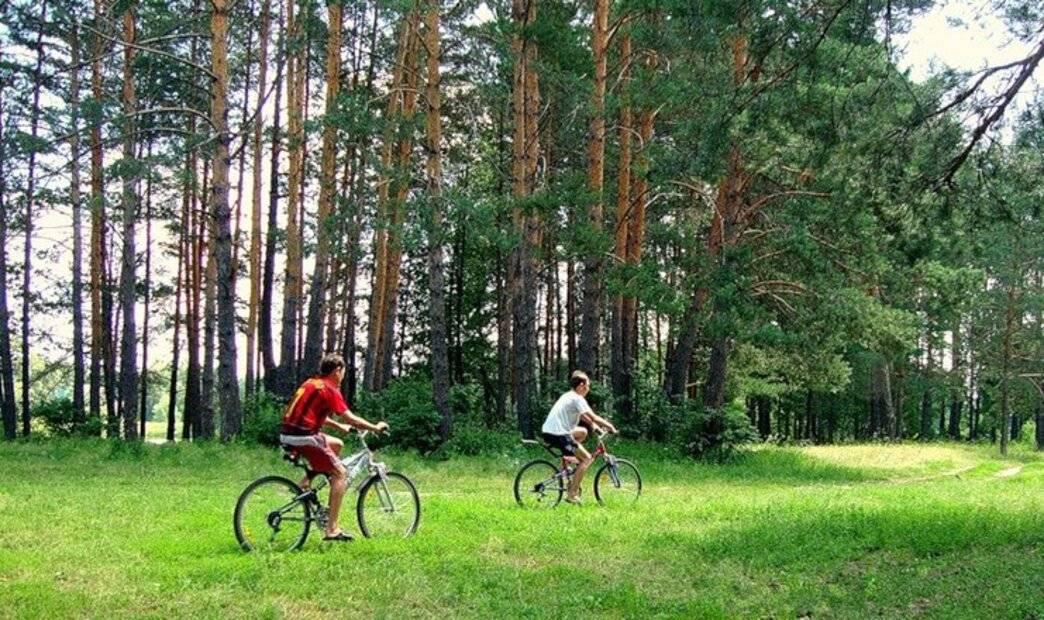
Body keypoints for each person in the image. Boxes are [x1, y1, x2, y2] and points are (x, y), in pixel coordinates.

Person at [280, 353, 389, 542]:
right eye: (343, 371)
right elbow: (351, 417)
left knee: (336, 444)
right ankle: (332, 529)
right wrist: (375, 427)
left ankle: (306, 481)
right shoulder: (330, 388)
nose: (343, 375)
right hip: (304, 437)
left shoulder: (312, 383)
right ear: (337, 371)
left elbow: (317, 415)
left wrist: (339, 427)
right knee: (340, 474)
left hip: (290, 433)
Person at [540, 370, 617, 504]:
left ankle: (567, 460)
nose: (588, 389)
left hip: (550, 432)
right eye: (588, 386)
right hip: (559, 434)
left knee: (582, 432)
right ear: (581, 385)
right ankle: (572, 494)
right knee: (586, 459)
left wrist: (593, 426)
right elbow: (593, 416)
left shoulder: (568, 396)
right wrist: (610, 426)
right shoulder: (577, 398)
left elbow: (583, 416)